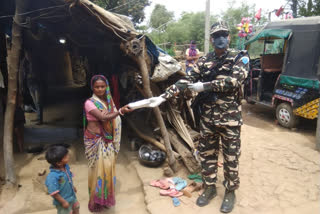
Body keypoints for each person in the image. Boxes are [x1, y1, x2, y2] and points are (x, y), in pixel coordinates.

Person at [148, 21, 249, 213]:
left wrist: (205, 86)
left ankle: (230, 191)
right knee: (207, 155)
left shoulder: (239, 57)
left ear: (228, 37)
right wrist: (163, 96)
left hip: (230, 120)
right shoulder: (204, 61)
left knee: (231, 157)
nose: (220, 38)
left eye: (223, 34)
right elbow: (187, 80)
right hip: (208, 119)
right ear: (211, 39)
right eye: (216, 35)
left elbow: (235, 81)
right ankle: (210, 187)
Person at [83, 74, 133, 212]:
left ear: (106, 87)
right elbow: (102, 117)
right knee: (96, 172)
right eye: (97, 87)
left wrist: (117, 111)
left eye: (102, 86)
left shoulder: (108, 102)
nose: (100, 89)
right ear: (92, 87)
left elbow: (110, 118)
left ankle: (104, 198)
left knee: (107, 170)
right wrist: (121, 111)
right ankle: (96, 201)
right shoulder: (89, 103)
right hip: (94, 140)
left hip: (106, 141)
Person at [45, 145, 80, 214]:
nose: (68, 156)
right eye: (66, 156)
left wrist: (72, 187)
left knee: (76, 208)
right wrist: (63, 202)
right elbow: (53, 192)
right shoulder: (52, 177)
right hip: (64, 200)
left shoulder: (66, 167)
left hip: (72, 197)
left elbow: (68, 179)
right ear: (59, 163)